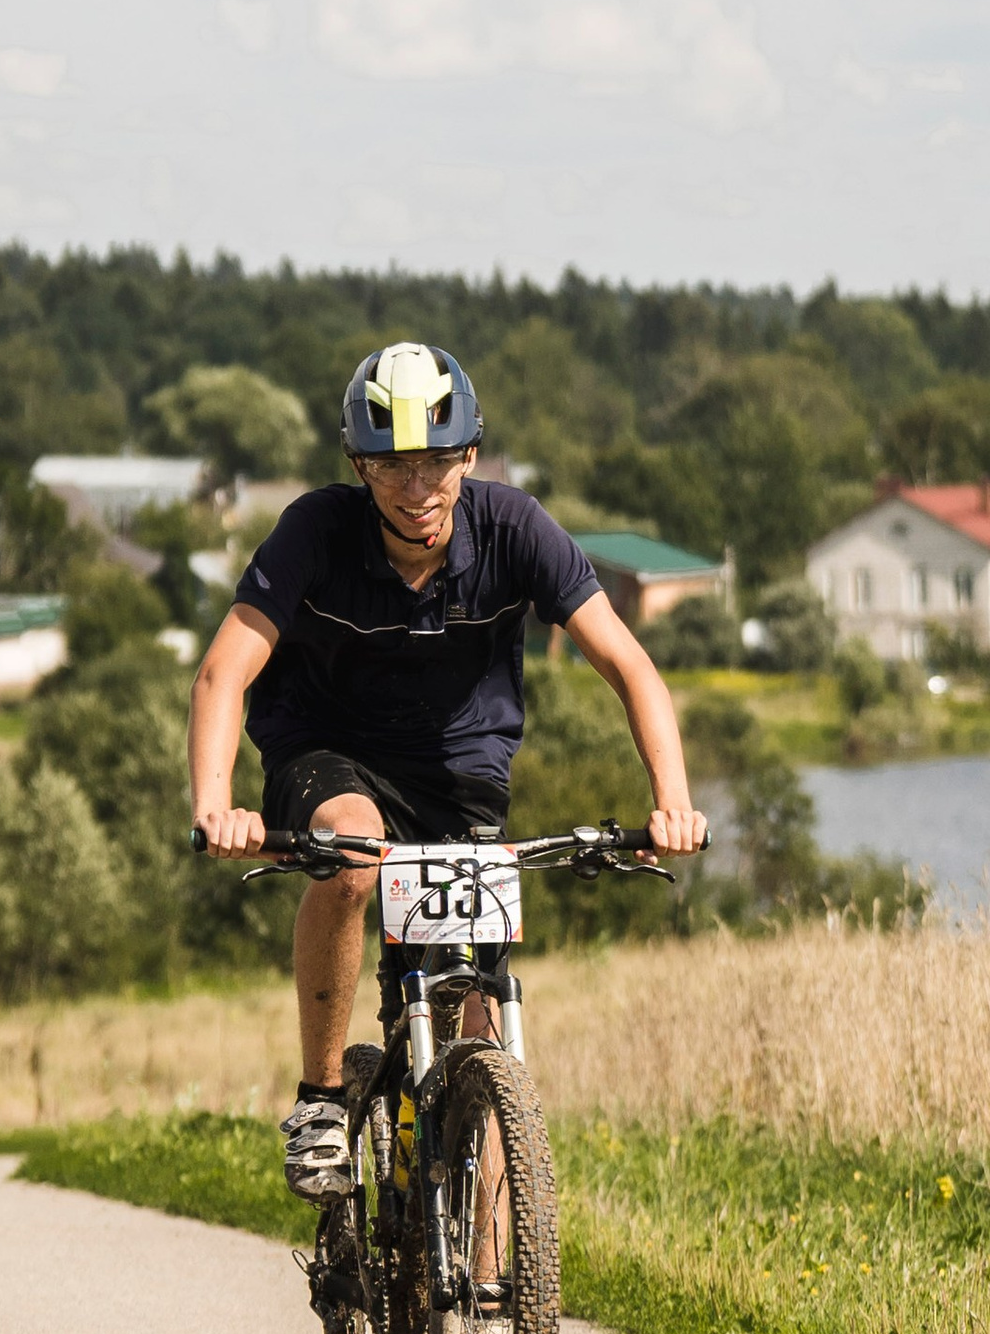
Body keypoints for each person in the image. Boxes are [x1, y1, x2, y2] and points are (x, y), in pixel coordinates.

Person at [188, 340, 706, 1201]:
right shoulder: (315, 533)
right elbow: (222, 675)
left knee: (481, 1022)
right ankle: (321, 1099)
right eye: (391, 465)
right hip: (327, 748)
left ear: (469, 454)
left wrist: (673, 803)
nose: (416, 487)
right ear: (358, 465)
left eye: (435, 460)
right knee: (355, 854)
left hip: (460, 768)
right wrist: (217, 807)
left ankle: (497, 1271)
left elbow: (629, 666)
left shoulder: (515, 529)